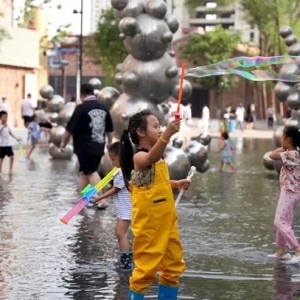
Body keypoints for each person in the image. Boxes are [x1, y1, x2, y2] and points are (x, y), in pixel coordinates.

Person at [119, 109, 191, 300]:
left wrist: (176, 184)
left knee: (173, 265)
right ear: (141, 132)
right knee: (146, 268)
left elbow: (155, 184)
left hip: (167, 221)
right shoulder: (140, 157)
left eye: (161, 126)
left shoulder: (159, 158)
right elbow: (150, 159)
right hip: (150, 224)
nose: (160, 130)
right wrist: (167, 134)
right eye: (156, 126)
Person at [60, 83, 114, 209]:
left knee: (91, 172)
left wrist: (63, 142)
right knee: (83, 172)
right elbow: (110, 128)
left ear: (82, 94)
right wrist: (110, 142)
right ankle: (81, 199)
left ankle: (101, 200)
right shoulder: (103, 107)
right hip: (99, 145)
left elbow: (70, 128)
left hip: (84, 146)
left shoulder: (81, 108)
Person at [92, 142, 132, 271]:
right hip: (125, 207)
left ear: (121, 157)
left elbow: (115, 189)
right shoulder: (125, 170)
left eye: (113, 159)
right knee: (120, 233)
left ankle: (126, 263)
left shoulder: (121, 171)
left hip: (126, 208)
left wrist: (99, 197)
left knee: (120, 233)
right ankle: (125, 258)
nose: (112, 162)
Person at [268, 126, 300, 264]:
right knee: (284, 222)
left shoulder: (291, 154)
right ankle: (281, 251)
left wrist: (283, 148)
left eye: (282, 137)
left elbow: (272, 155)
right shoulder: (294, 154)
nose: (280, 139)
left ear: (288, 139)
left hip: (290, 192)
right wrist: (285, 148)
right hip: (290, 192)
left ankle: (297, 250)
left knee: (279, 221)